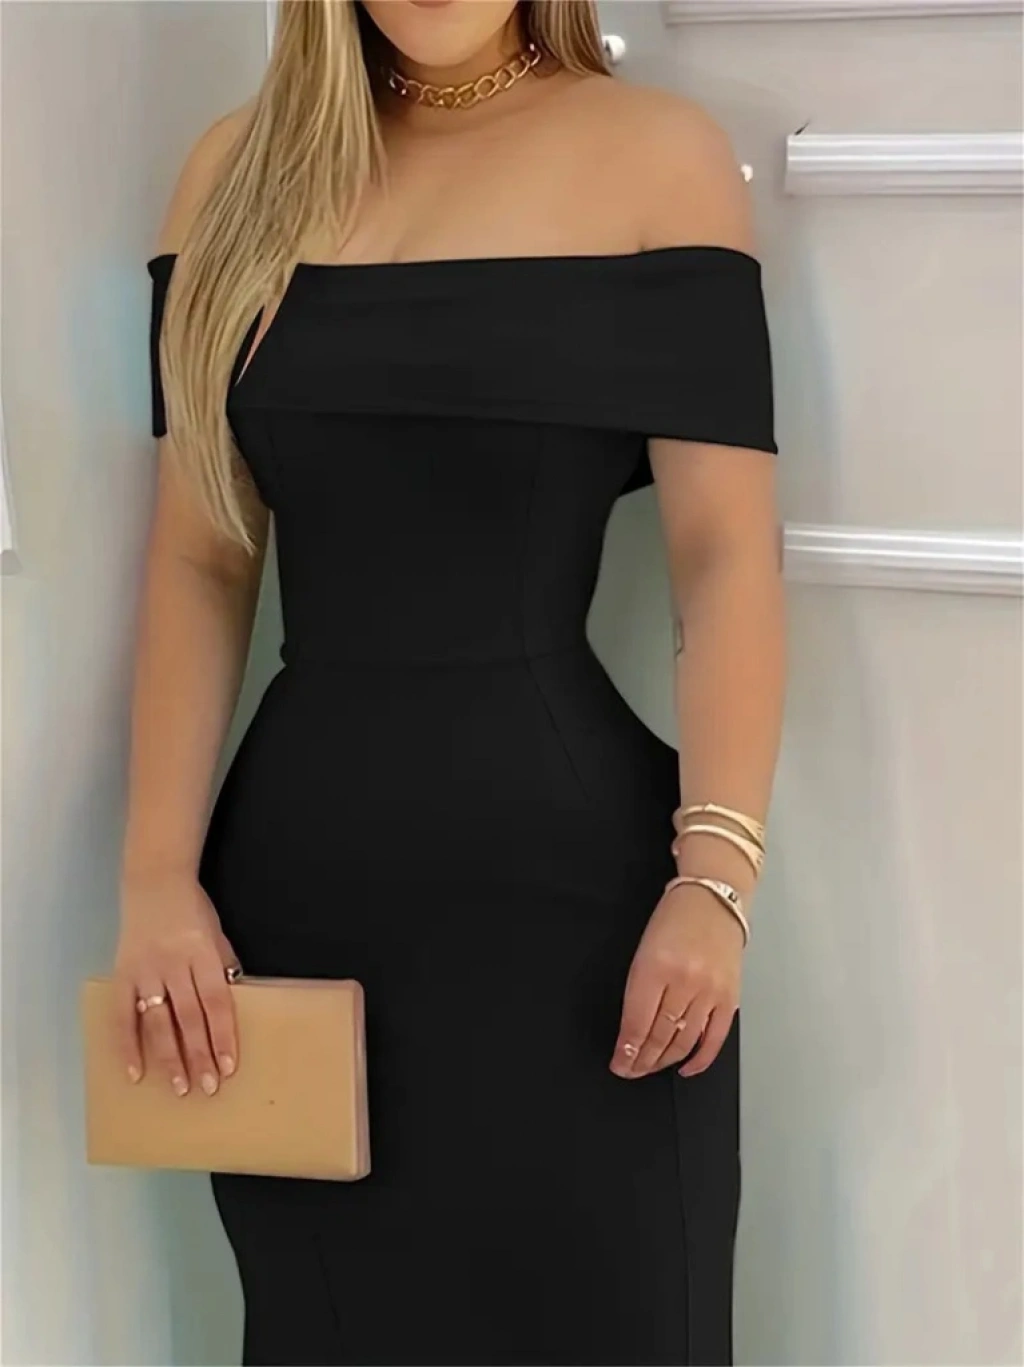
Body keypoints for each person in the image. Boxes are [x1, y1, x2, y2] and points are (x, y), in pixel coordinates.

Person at [114, 1, 785, 1362]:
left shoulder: (660, 157)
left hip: (586, 923)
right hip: (299, 907)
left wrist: (717, 878)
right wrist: (153, 877)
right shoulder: (230, 173)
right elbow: (201, 557)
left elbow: (725, 558)